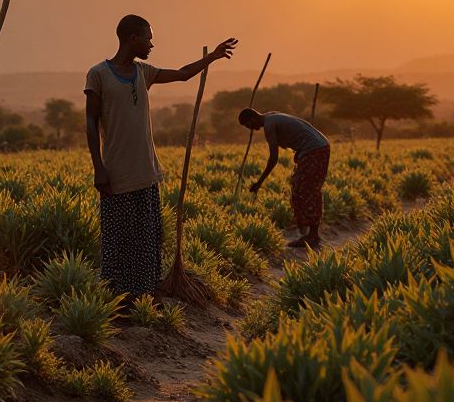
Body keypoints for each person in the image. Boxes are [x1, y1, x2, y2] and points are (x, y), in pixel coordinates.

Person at [85, 15, 237, 300]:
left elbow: (181, 74)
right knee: (118, 239)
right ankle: (117, 299)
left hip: (146, 172)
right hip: (116, 173)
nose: (152, 44)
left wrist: (212, 58)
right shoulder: (98, 75)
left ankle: (145, 296)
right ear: (133, 39)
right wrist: (98, 168)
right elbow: (90, 124)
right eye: (148, 38)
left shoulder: (144, 72)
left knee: (147, 239)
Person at [239, 109, 330, 249]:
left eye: (247, 125)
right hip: (318, 146)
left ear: (252, 118)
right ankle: (308, 231)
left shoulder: (269, 125)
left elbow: (273, 159)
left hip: (314, 149)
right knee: (302, 188)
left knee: (307, 190)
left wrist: (259, 182)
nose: (250, 129)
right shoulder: (271, 115)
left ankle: (312, 235)